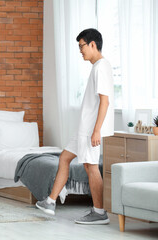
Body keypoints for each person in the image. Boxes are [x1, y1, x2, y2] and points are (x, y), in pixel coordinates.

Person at [36, 28, 114, 225]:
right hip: (83, 128)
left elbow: (105, 102)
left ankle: (99, 212)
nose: (80, 51)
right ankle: (50, 202)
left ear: (93, 44)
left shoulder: (102, 67)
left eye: (82, 46)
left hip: (89, 130)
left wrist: (96, 130)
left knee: (91, 166)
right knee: (64, 158)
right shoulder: (96, 67)